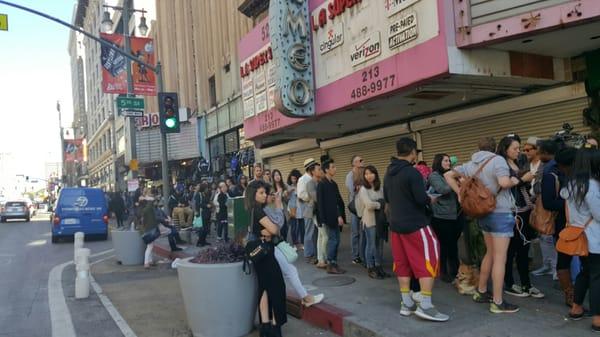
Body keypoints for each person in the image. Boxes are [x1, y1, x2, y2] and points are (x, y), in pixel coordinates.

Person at [445, 137, 521, 314]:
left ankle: (481, 292)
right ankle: (498, 302)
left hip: (482, 214)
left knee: (490, 253)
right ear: (494, 148)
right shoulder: (498, 160)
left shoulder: (470, 164)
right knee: (500, 258)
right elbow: (503, 183)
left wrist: (460, 193)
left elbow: (448, 175)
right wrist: (514, 181)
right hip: (500, 212)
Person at [385, 138, 448, 321]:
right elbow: (421, 199)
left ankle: (407, 302)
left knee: (402, 263)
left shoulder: (389, 173)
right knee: (429, 258)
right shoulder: (412, 173)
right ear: (412, 152)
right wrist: (430, 199)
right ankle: (426, 305)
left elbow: (387, 198)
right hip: (415, 224)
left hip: (395, 226)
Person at [495, 137, 544, 299]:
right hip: (511, 211)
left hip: (524, 209)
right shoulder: (501, 165)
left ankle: (526, 283)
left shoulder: (519, 162)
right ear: (505, 149)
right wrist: (523, 179)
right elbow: (505, 185)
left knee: (523, 247)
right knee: (511, 249)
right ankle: (509, 282)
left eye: (519, 148)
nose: (519, 151)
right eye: (515, 148)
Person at [264, 188, 324, 308]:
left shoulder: (263, 208)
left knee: (289, 271)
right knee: (289, 271)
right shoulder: (264, 209)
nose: (272, 196)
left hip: (269, 246)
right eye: (269, 194)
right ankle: (306, 298)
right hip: (269, 246)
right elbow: (279, 223)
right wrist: (278, 204)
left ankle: (305, 297)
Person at [563, 147, 600, 332]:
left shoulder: (571, 184)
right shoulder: (592, 185)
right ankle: (597, 319)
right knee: (597, 276)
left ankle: (576, 308)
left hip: (580, 235)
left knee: (585, 272)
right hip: (594, 237)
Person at [244, 180, 287, 337]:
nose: (264, 196)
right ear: (253, 194)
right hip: (266, 255)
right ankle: (275, 327)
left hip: (259, 256)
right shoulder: (258, 210)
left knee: (265, 289)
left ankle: (265, 325)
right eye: (261, 193)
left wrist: (269, 231)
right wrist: (271, 230)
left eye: (265, 193)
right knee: (277, 289)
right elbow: (275, 228)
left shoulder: (252, 209)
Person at [543, 146, 578, 307]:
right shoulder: (551, 176)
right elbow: (548, 202)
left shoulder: (578, 176)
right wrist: (570, 203)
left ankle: (580, 290)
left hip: (579, 223)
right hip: (563, 224)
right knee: (564, 258)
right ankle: (570, 294)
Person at [428, 154, 462, 283]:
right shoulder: (434, 176)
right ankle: (443, 271)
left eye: (449, 161)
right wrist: (455, 182)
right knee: (443, 246)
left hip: (457, 215)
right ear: (439, 162)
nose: (449, 163)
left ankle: (456, 271)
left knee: (453, 245)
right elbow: (443, 189)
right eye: (445, 161)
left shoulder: (452, 174)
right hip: (441, 216)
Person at [531, 139, 560, 279]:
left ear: (547, 153)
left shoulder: (553, 166)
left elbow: (541, 184)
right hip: (543, 203)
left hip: (551, 205)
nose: (537, 154)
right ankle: (548, 265)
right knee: (544, 236)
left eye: (540, 151)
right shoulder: (546, 164)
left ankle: (556, 268)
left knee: (550, 236)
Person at [356, 165, 388, 279]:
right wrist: (380, 204)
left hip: (380, 220)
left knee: (379, 245)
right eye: (366, 174)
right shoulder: (364, 189)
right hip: (369, 221)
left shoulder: (380, 188)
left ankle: (379, 267)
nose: (368, 176)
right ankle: (370, 267)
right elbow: (369, 205)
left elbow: (386, 203)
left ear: (375, 174)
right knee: (371, 245)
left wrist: (379, 204)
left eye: (371, 173)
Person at [317, 159, 346, 274]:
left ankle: (334, 263)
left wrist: (340, 215)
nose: (335, 169)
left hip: (335, 217)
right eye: (333, 167)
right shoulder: (322, 184)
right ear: (326, 170)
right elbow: (320, 203)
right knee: (333, 240)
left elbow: (338, 201)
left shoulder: (333, 184)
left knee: (337, 240)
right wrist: (322, 220)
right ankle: (330, 264)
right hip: (328, 218)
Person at [298, 159, 321, 264]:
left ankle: (316, 253)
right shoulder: (303, 179)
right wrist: (312, 197)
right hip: (308, 207)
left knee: (316, 231)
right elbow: (301, 194)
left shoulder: (315, 178)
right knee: (309, 231)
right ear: (310, 168)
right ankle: (308, 254)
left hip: (315, 206)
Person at [346, 155, 366, 266]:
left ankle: (362, 254)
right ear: (353, 163)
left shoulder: (364, 173)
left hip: (364, 205)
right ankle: (355, 255)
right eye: (360, 160)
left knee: (363, 231)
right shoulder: (350, 175)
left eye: (362, 160)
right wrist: (357, 188)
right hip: (354, 206)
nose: (362, 162)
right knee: (355, 232)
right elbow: (352, 191)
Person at [287, 169, 304, 250]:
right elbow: (286, 198)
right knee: (293, 227)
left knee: (302, 227)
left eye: (294, 178)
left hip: (301, 208)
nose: (293, 180)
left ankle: (303, 243)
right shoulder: (289, 186)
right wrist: (289, 191)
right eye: (292, 178)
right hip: (293, 209)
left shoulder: (301, 185)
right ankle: (295, 244)